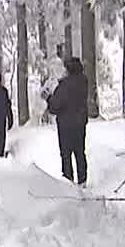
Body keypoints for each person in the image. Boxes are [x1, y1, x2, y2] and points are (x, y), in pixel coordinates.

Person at [45, 56, 90, 184]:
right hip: (80, 123)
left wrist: (48, 98)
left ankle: (68, 181)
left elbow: (55, 106)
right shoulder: (83, 81)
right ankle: (83, 181)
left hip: (66, 125)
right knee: (80, 152)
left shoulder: (65, 85)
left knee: (66, 154)